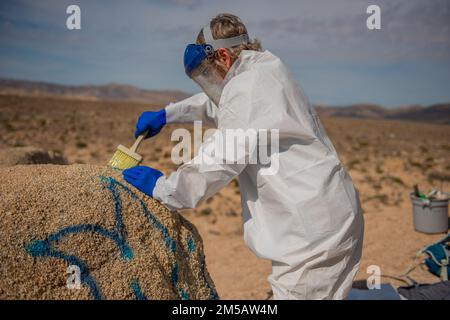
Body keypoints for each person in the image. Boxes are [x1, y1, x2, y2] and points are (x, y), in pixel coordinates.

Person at [123, 13, 364, 300]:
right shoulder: (266, 69)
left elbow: (223, 158)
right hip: (329, 213)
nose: (208, 82)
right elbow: (222, 105)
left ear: (223, 55)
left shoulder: (247, 86)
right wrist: (169, 114)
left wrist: (166, 188)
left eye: (206, 72)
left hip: (311, 233)